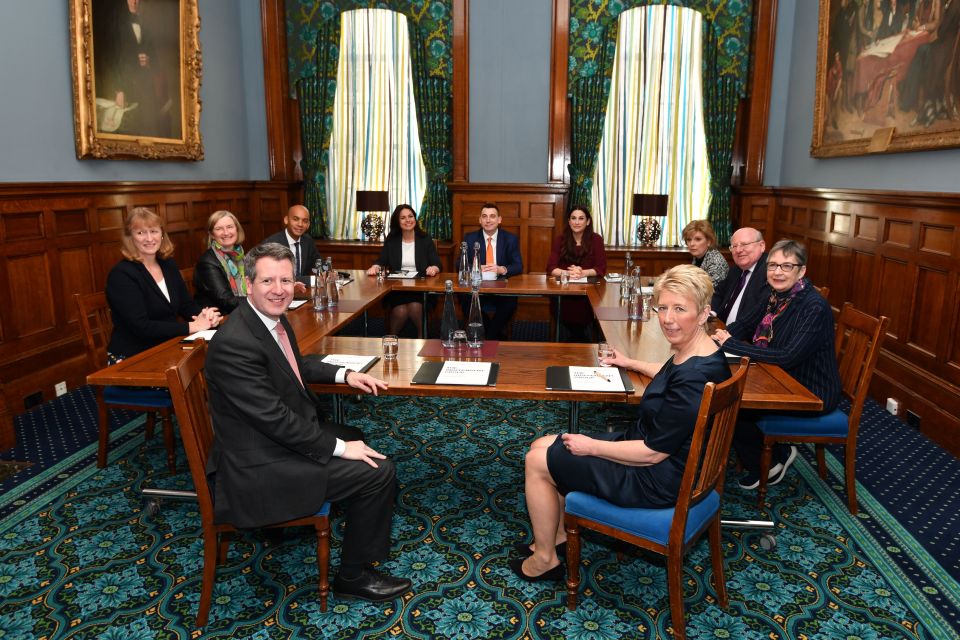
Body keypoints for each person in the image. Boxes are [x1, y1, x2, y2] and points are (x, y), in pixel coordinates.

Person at [204, 242, 412, 602]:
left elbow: (294, 368)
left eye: (285, 280)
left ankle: (310, 524)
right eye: (268, 280)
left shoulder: (267, 319)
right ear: (247, 285)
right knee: (377, 470)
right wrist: (341, 449)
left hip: (265, 441)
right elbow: (276, 420)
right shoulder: (235, 342)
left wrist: (344, 374)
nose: (279, 289)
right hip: (258, 466)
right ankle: (353, 576)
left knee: (354, 434)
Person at [510, 264, 730, 581]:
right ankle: (555, 536)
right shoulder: (701, 352)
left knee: (536, 460)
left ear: (703, 313)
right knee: (542, 443)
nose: (668, 318)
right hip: (655, 454)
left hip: (654, 477)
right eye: (663, 307)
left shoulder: (696, 375)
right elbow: (671, 377)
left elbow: (654, 453)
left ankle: (545, 559)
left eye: (680, 309)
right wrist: (628, 362)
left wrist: (593, 447)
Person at [713, 239, 841, 490]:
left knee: (729, 403)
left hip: (809, 389)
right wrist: (714, 338)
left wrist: (730, 345)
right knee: (718, 384)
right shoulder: (775, 296)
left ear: (801, 270)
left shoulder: (813, 306)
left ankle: (772, 460)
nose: (777, 272)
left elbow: (786, 356)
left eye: (786, 266)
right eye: (772, 266)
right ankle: (758, 451)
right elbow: (745, 325)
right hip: (780, 376)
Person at [105, 207, 220, 363]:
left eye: (154, 231)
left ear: (162, 234)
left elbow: (186, 305)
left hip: (169, 345)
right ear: (130, 238)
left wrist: (203, 315)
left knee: (220, 361)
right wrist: (191, 327)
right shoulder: (122, 275)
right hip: (133, 356)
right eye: (140, 233)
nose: (149, 238)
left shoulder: (168, 265)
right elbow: (142, 327)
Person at [93, 0, 175, 138]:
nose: (135, 2)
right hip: (123, 88)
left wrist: (149, 62)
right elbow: (112, 59)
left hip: (145, 91)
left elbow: (156, 66)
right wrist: (119, 90)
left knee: (149, 131)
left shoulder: (147, 31)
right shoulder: (115, 29)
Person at [365, 205, 441, 337]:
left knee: (415, 307)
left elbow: (437, 263)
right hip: (398, 289)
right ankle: (391, 341)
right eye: (403, 218)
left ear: (415, 219)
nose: (408, 220)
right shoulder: (392, 239)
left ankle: (421, 338)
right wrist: (375, 267)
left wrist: (433, 268)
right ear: (397, 221)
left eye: (410, 216)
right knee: (400, 310)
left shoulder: (425, 239)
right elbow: (381, 260)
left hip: (421, 289)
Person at [459, 203, 524, 339]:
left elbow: (518, 265)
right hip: (477, 286)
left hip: (501, 287)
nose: (488, 220)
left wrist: (502, 269)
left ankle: (488, 336)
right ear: (480, 220)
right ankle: (494, 335)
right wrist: (475, 268)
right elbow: (459, 263)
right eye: (484, 216)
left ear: (499, 220)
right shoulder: (470, 238)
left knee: (510, 301)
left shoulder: (510, 239)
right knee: (464, 298)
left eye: (492, 216)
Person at [546, 205, 607, 341]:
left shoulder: (596, 240)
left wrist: (582, 273)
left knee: (586, 308)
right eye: (573, 218)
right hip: (564, 290)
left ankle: (575, 339)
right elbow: (551, 268)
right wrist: (567, 273)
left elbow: (601, 268)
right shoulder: (560, 240)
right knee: (564, 308)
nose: (577, 222)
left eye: (581, 218)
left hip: (588, 291)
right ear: (569, 221)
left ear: (588, 221)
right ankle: (580, 339)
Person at [710, 227, 769, 325]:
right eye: (734, 246)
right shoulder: (737, 269)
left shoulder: (768, 272)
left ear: (761, 246)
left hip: (743, 336)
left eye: (744, 244)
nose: (738, 250)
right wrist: (712, 313)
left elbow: (755, 316)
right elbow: (719, 292)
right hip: (719, 325)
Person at [193, 210, 247, 313]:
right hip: (219, 319)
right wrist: (260, 301)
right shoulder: (207, 262)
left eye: (230, 227)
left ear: (237, 229)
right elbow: (227, 301)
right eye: (219, 229)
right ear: (212, 234)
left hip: (241, 312)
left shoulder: (240, 255)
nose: (226, 233)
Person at [262, 205, 320, 295]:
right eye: (296, 219)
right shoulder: (272, 244)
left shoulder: (308, 241)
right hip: (277, 294)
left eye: (305, 221)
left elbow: (318, 262)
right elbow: (274, 278)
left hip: (302, 294)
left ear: (308, 225)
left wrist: (327, 273)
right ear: (286, 220)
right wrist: (312, 280)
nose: (300, 224)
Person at [682, 219, 729, 288]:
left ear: (709, 241)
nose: (692, 244)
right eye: (689, 240)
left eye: (698, 239)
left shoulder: (716, 263)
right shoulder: (699, 255)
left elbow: (705, 293)